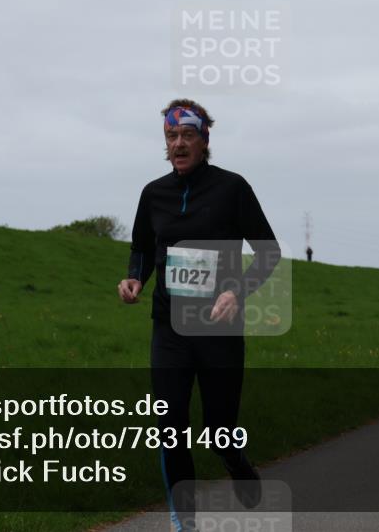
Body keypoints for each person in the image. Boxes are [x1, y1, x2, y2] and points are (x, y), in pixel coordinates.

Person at [118, 99, 280, 532]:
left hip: (219, 328)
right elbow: (142, 248)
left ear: (205, 139)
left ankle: (236, 462)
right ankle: (183, 520)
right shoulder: (154, 193)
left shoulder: (232, 188)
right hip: (169, 326)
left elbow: (268, 252)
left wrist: (237, 291)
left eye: (188, 135)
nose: (179, 143)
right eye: (171, 136)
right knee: (169, 423)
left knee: (218, 428)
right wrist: (135, 278)